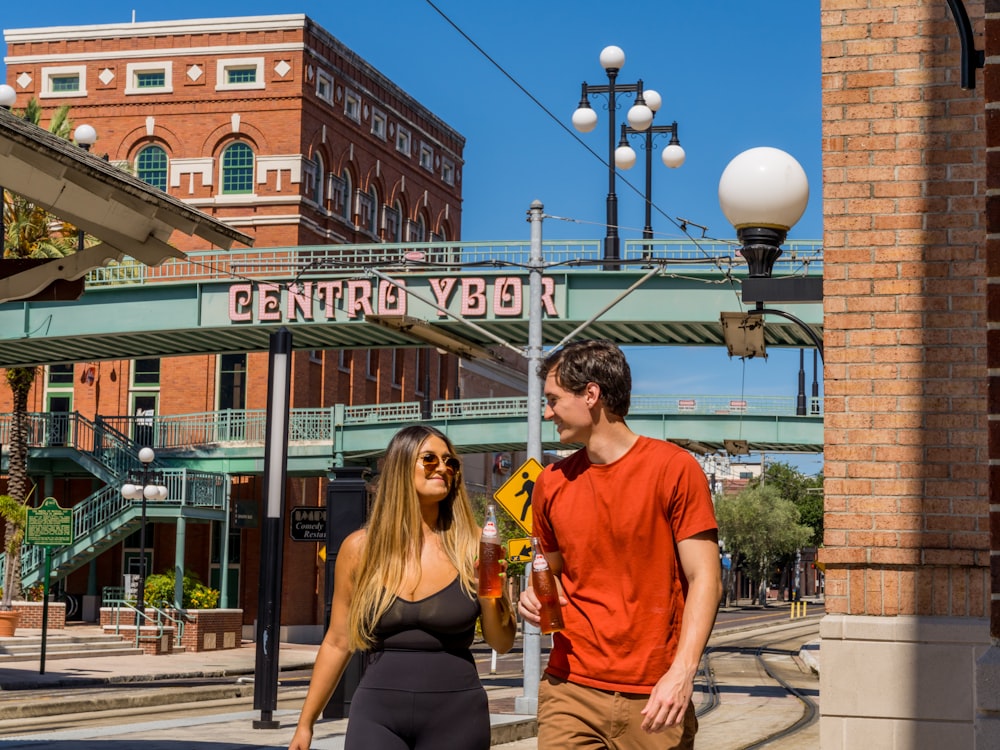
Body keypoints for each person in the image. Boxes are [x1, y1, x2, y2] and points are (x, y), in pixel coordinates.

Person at [518, 339, 722, 750]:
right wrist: (537, 599)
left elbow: (706, 579)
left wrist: (682, 674)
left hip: (655, 695)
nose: (546, 412)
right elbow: (553, 576)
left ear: (590, 394)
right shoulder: (550, 484)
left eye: (554, 399)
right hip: (569, 689)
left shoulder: (675, 469)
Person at [289, 424, 516, 750]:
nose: (442, 468)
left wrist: (490, 595)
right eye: (429, 459)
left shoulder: (475, 546)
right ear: (400, 467)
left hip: (457, 715)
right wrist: (305, 724)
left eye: (450, 462)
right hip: (377, 714)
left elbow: (502, 642)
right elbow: (338, 641)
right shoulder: (360, 550)